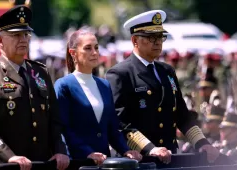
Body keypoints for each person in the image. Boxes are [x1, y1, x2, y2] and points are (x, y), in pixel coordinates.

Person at [105, 10, 219, 164]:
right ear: (135, 41)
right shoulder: (120, 73)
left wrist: (202, 143)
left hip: (170, 157)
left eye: (160, 37)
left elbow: (182, 114)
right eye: (151, 37)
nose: (158, 42)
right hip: (139, 160)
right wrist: (150, 149)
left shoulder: (167, 71)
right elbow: (121, 122)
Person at [0, 5, 69, 170]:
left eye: (26, 34)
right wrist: (9, 156)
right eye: (16, 35)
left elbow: (54, 121)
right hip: (2, 165)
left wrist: (60, 150)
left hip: (39, 164)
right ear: (0, 40)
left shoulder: (40, 72)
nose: (23, 40)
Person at [54, 30, 142, 165]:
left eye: (96, 47)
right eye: (88, 48)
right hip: (78, 162)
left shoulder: (104, 85)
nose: (94, 53)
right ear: (73, 53)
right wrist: (87, 152)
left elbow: (112, 127)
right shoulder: (64, 85)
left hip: (104, 162)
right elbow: (63, 128)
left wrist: (125, 150)